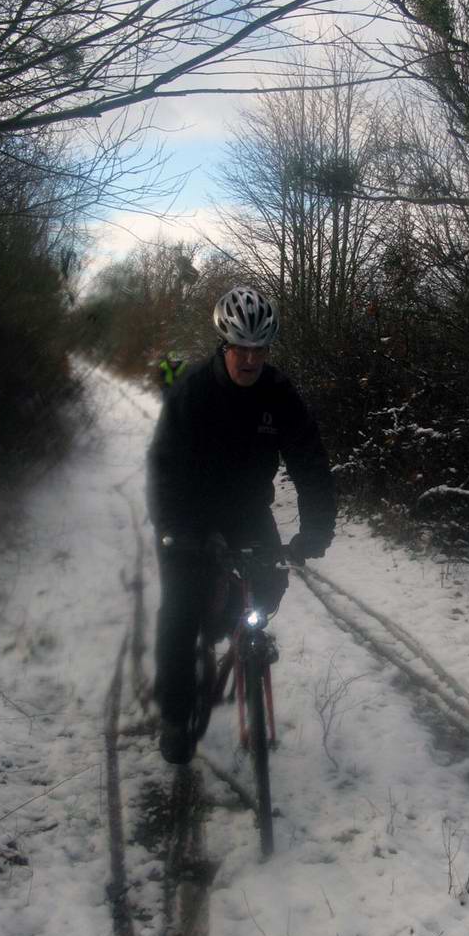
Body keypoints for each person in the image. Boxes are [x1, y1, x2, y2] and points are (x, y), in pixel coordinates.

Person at [146, 285, 336, 764]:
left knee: (268, 588)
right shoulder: (192, 391)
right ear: (224, 346)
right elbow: (164, 467)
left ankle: (234, 627)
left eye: (259, 350)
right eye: (240, 349)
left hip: (248, 512)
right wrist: (175, 529)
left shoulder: (279, 395)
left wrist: (316, 528)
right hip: (189, 516)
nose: (249, 360)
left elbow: (310, 462)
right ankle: (174, 712)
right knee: (180, 612)